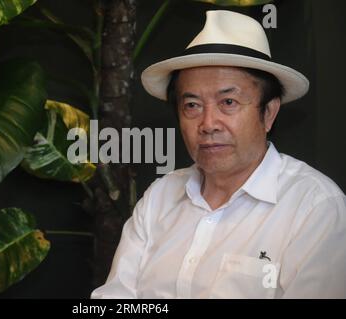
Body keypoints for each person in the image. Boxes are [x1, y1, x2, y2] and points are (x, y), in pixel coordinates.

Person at [91, 10, 346, 299]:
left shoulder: (314, 207)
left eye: (228, 102)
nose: (208, 124)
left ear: (269, 113)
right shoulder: (160, 198)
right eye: (192, 106)